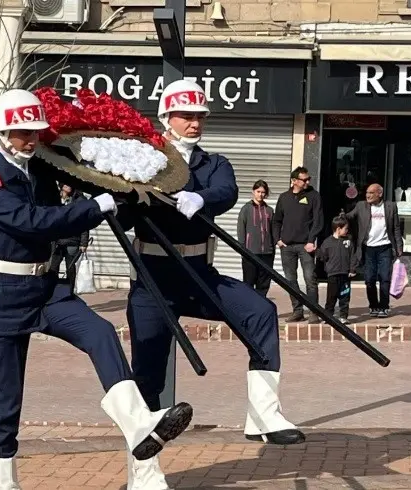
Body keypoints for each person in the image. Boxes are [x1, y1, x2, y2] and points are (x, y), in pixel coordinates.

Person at [0, 88, 194, 489]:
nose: (32, 139)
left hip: (47, 288)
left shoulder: (38, 167)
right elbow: (30, 221)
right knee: (6, 400)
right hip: (2, 293)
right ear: (2, 132)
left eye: (36, 130)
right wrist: (93, 207)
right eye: (23, 133)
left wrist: (122, 184)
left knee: (101, 333)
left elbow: (73, 192)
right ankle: (1, 484)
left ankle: (140, 426)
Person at [115, 80, 305, 489]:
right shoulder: (141, 158)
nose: (195, 122)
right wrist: (126, 193)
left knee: (260, 311)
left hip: (200, 274)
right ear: (166, 119)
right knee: (147, 378)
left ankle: (263, 415)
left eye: (200, 115)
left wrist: (198, 197)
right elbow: (127, 217)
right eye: (187, 115)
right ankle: (143, 474)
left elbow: (225, 190)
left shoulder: (212, 162)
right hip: (153, 279)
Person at [272, 166, 324, 323]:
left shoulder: (313, 196)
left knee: (310, 279)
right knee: (290, 280)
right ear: (294, 181)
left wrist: (311, 240)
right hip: (287, 246)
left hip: (305, 246)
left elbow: (318, 220)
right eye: (304, 180)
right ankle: (297, 310)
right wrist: (278, 240)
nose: (307, 181)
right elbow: (277, 220)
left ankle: (314, 312)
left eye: (308, 179)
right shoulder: (284, 197)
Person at [343, 183, 403, 318]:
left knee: (384, 278)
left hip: (385, 247)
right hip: (368, 248)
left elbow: (396, 227)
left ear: (379, 194)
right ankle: (374, 305)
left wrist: (399, 247)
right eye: (367, 193)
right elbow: (350, 216)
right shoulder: (361, 206)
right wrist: (342, 216)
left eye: (371, 193)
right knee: (369, 279)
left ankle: (384, 306)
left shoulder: (390, 206)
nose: (368, 195)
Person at [236, 180, 275, 297]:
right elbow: (241, 229)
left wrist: (272, 248)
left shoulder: (269, 210)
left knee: (263, 283)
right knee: (248, 282)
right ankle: (249, 306)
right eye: (258, 191)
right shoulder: (246, 209)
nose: (260, 194)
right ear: (253, 191)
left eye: (263, 192)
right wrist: (243, 248)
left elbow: (273, 230)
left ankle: (261, 306)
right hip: (250, 252)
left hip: (267, 253)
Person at [316, 216, 356, 324]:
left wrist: (352, 269)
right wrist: (316, 252)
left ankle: (343, 316)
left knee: (345, 296)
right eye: (345, 229)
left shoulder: (348, 241)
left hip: (345, 274)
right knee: (331, 297)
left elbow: (353, 256)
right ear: (338, 229)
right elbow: (323, 257)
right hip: (333, 274)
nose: (347, 231)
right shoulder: (327, 242)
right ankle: (328, 316)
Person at [50, 183, 90, 290]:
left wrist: (83, 242)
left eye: (69, 183)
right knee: (53, 267)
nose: (68, 185)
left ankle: (69, 291)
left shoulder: (79, 200)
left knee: (70, 268)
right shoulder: (54, 198)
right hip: (56, 241)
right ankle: (51, 291)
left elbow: (84, 223)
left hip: (72, 240)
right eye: (65, 183)